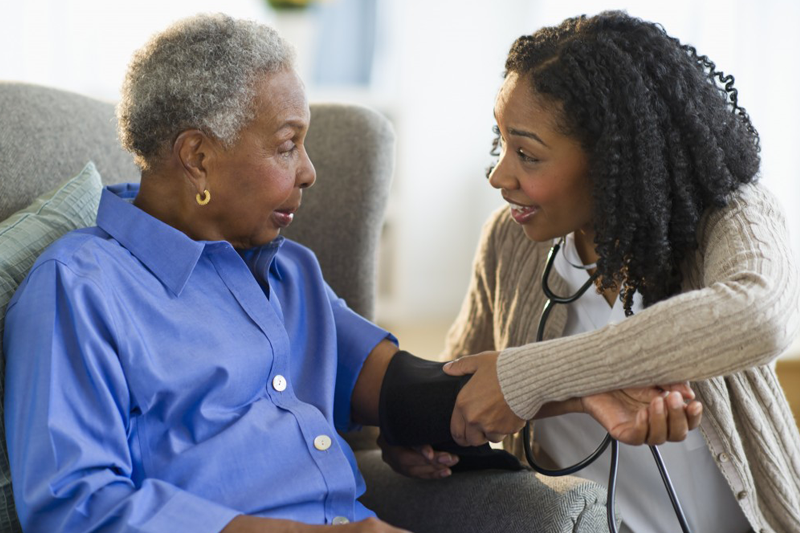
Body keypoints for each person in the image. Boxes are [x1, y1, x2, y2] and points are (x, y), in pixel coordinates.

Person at [3, 12, 700, 533]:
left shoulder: (289, 276)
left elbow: (412, 391)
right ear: (196, 156)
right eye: (286, 146)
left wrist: (585, 390)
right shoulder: (80, 288)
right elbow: (76, 506)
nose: (309, 171)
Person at [420, 10, 798, 533]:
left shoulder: (730, 212)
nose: (498, 174)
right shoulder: (509, 241)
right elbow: (467, 391)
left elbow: (759, 317)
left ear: (611, 156)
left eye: (527, 154)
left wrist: (528, 376)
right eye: (501, 142)